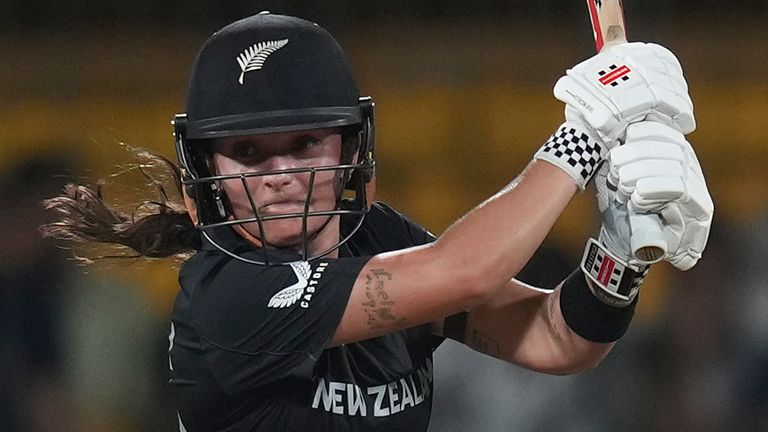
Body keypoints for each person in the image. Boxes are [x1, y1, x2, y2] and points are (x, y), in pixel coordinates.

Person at [42, 12, 714, 432]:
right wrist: (585, 135)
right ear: (205, 167)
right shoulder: (230, 297)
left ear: (350, 151)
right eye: (247, 152)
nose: (277, 173)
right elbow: (467, 269)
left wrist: (621, 254)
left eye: (304, 143)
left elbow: (557, 343)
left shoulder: (380, 239)